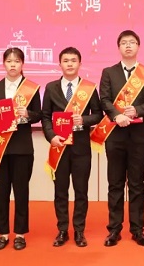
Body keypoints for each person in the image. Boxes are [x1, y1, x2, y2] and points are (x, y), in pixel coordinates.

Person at [93, 30, 144, 247]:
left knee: (137, 183)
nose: (128, 46)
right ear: (119, 47)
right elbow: (104, 100)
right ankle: (114, 230)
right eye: (124, 43)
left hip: (138, 136)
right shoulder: (109, 72)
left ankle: (138, 230)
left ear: (138, 46)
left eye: (132, 42)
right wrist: (117, 115)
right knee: (115, 182)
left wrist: (138, 110)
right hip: (115, 134)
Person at [42, 47, 103, 248]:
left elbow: (98, 115)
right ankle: (62, 230)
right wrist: (51, 136)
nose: (69, 64)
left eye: (73, 60)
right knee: (60, 191)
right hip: (59, 146)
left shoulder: (89, 88)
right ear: (60, 64)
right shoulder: (51, 87)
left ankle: (79, 230)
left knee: (81, 190)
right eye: (66, 60)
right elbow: (45, 116)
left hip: (81, 148)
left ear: (80, 63)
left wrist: (83, 120)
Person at [0, 48, 42, 250]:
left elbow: (39, 114)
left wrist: (27, 114)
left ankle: (20, 233)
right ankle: (2, 233)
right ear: (4, 63)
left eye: (16, 61)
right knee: (1, 192)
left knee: (21, 191)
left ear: (22, 64)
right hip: (0, 147)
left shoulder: (31, 88)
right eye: (9, 61)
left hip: (22, 147)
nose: (12, 65)